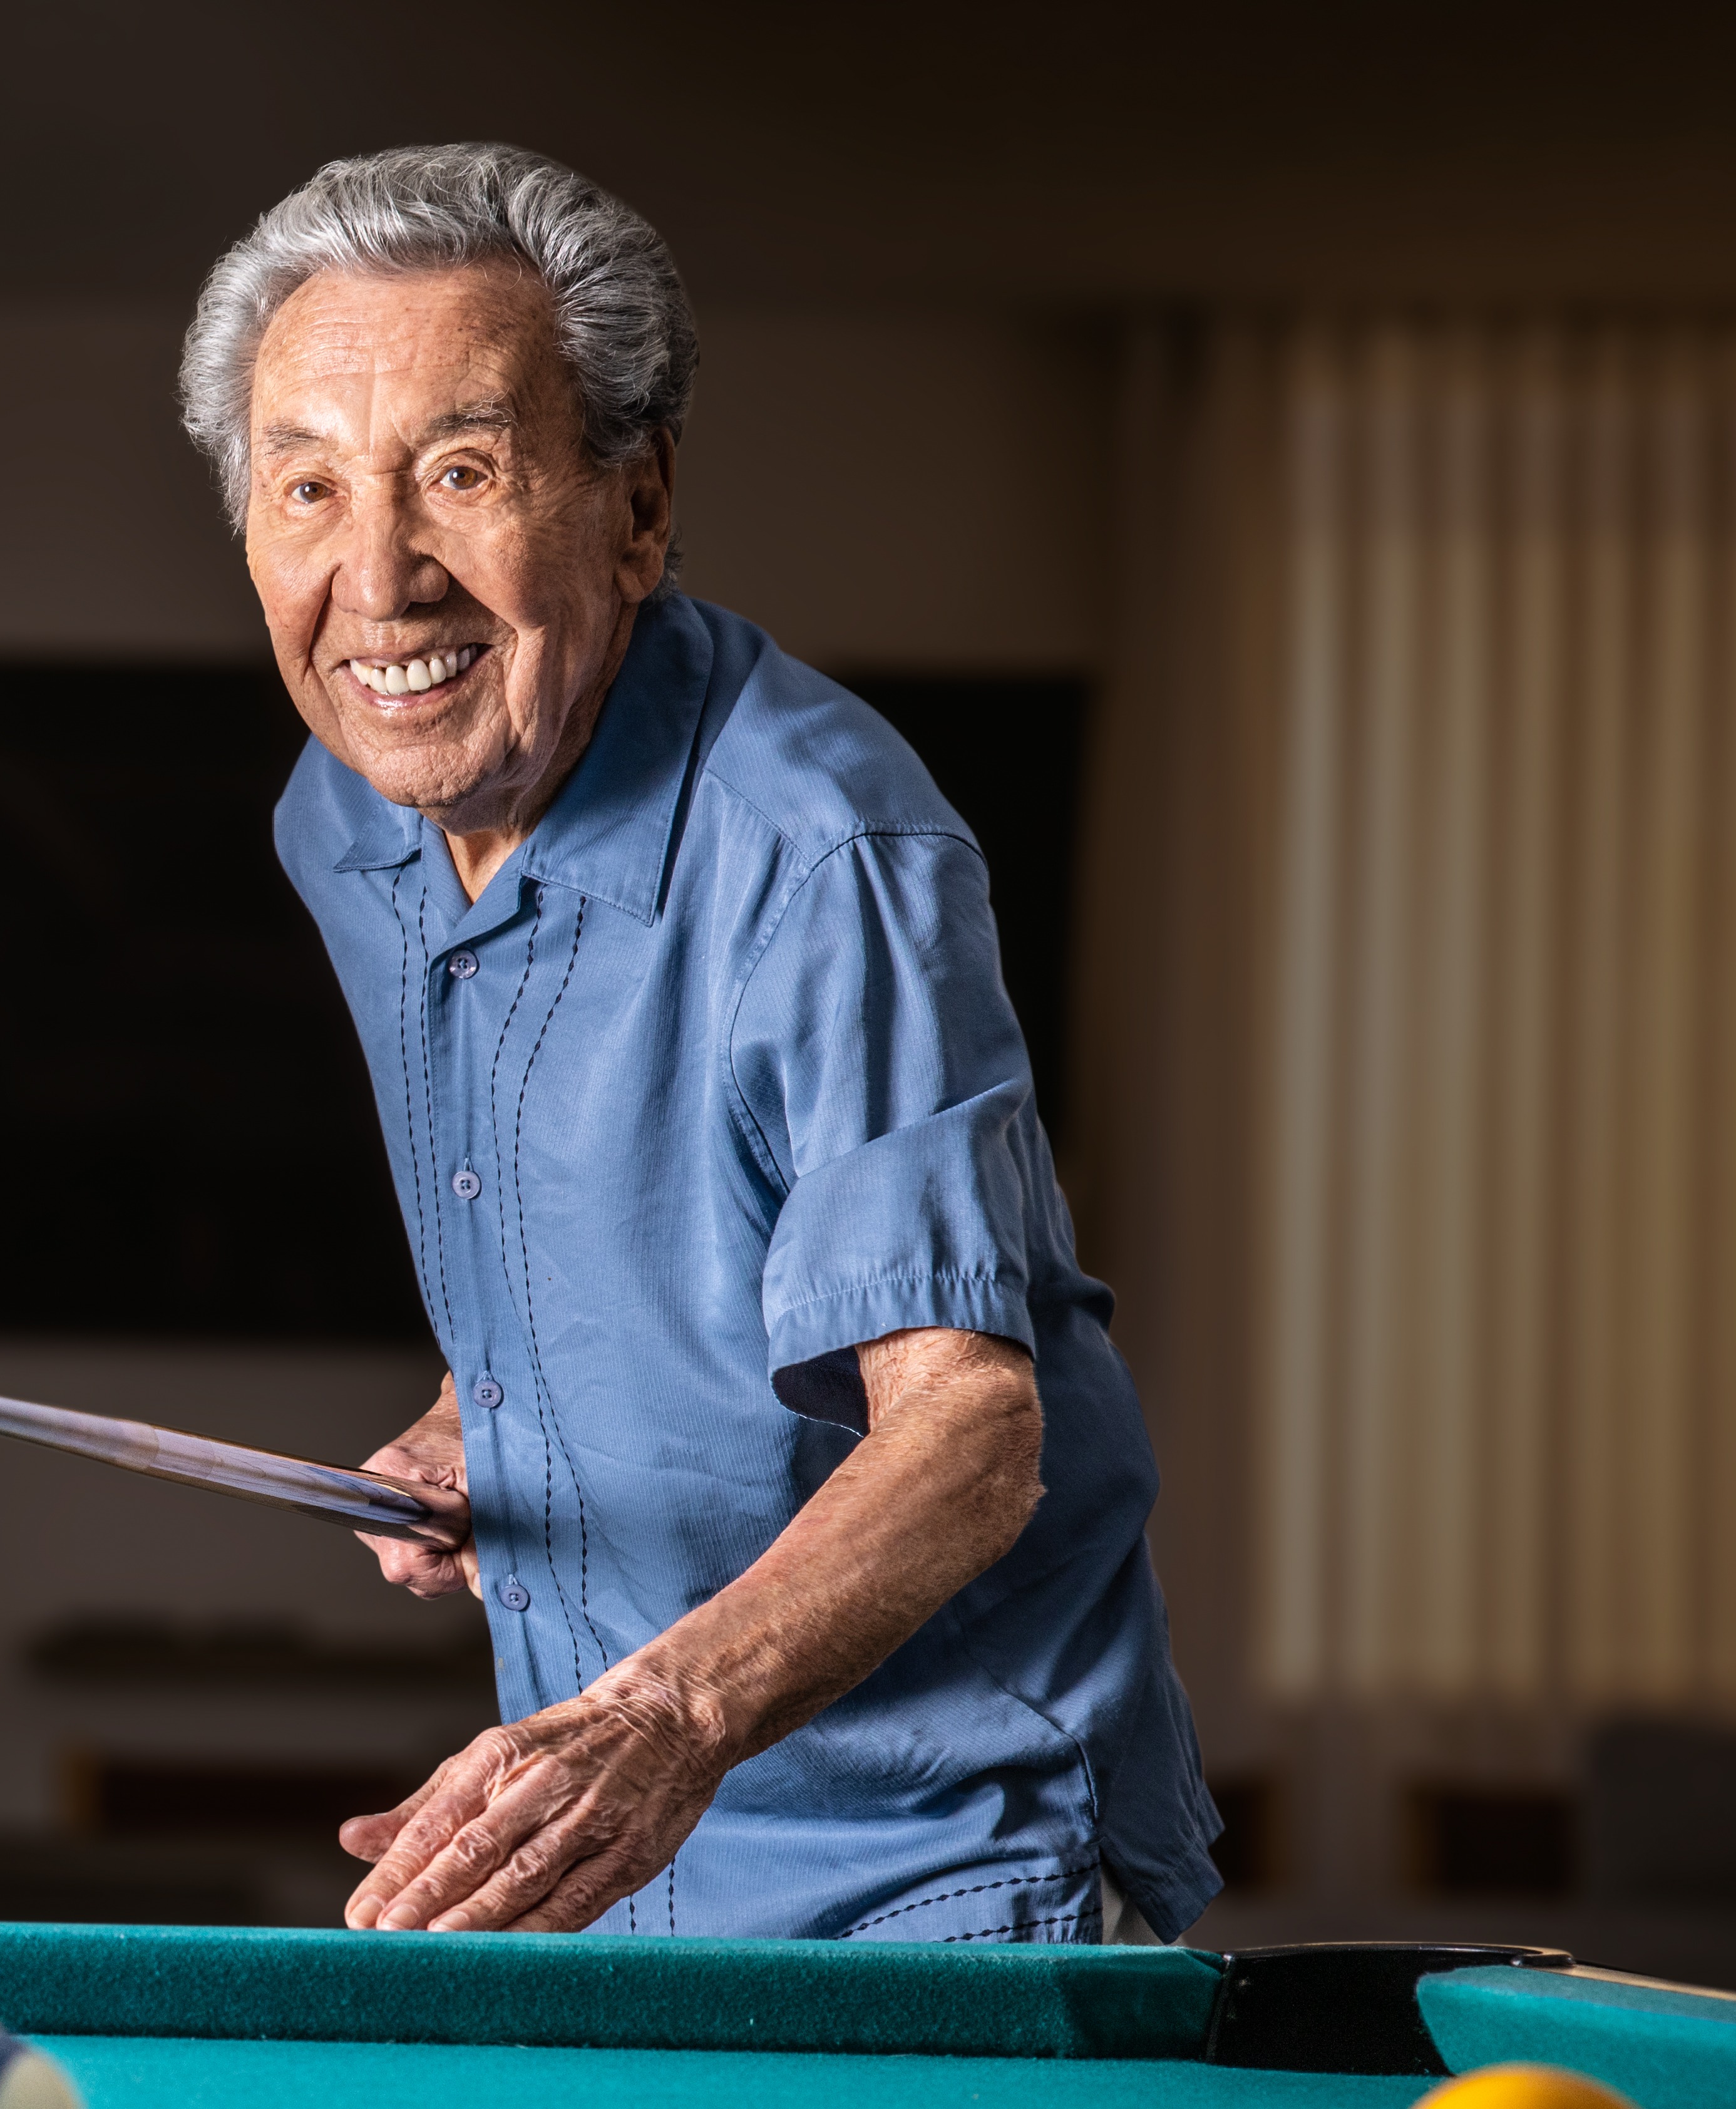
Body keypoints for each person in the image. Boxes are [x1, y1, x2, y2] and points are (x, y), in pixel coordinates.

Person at [182, 145, 1218, 1941]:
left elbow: (968, 1434)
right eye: (306, 489)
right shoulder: (345, 818)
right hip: (611, 1871)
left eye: (460, 474)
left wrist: (656, 1722)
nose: (381, 580)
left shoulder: (825, 856)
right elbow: (617, 1230)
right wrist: (473, 1424)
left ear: (638, 506)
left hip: (942, 1868)